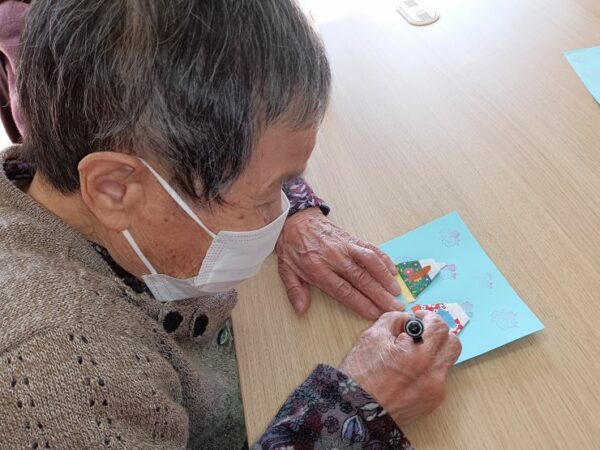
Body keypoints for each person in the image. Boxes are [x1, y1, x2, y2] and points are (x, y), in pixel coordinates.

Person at [0, 1, 461, 449]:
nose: (278, 210)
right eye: (267, 195)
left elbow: (246, 148)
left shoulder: (60, 173)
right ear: (115, 189)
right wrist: (354, 413)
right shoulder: (64, 376)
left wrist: (296, 210)